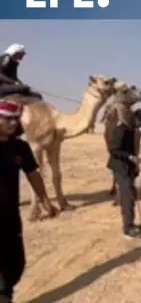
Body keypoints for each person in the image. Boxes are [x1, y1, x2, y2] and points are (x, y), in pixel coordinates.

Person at [0, 100, 57, 302]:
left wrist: (45, 201)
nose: (13, 123)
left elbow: (33, 173)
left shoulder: (20, 147)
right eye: (8, 118)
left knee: (17, 263)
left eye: (16, 119)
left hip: (10, 215)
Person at [107, 108, 141, 239]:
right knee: (127, 197)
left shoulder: (132, 131)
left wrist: (134, 164)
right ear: (136, 119)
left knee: (131, 196)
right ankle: (127, 228)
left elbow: (130, 151)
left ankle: (130, 224)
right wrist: (130, 157)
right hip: (120, 168)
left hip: (128, 168)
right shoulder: (122, 129)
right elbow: (113, 150)